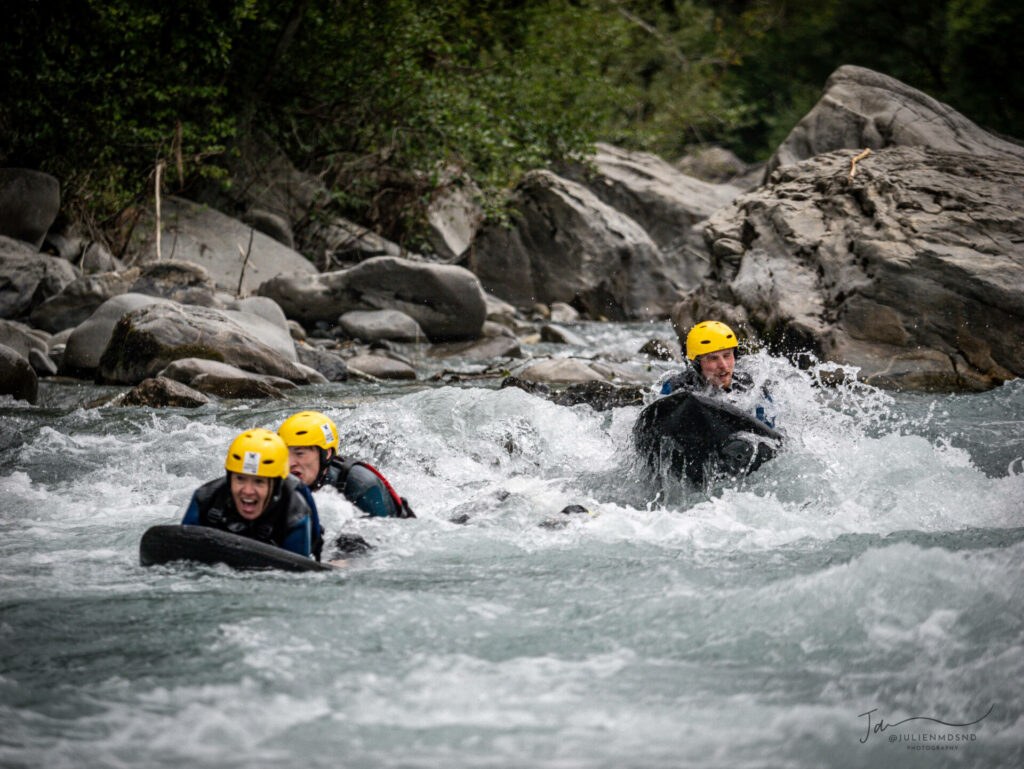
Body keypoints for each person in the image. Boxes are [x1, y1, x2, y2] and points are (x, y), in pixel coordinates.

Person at [181, 428, 324, 559]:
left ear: (274, 486)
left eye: (259, 482)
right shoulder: (205, 499)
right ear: (229, 479)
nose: (248, 491)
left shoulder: (294, 515)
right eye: (240, 479)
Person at [278, 411, 416, 518]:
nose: (290, 463)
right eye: (285, 453)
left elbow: (384, 542)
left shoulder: (362, 484)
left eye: (300, 453)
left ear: (326, 454)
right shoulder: (274, 479)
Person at [660, 320, 774, 428]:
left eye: (727, 355)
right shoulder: (675, 388)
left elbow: (769, 437)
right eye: (713, 358)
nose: (723, 365)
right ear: (696, 364)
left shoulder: (752, 388)